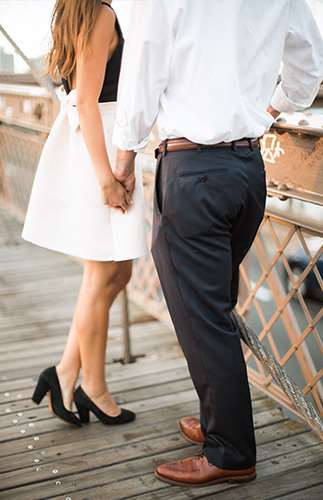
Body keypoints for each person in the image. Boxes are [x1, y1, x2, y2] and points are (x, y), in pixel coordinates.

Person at [113, 0, 323, 486]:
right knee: (215, 305)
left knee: (202, 315)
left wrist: (123, 162)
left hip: (193, 174)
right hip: (248, 172)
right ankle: (220, 421)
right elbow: (308, 66)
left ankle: (230, 451)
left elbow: (142, 73)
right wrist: (270, 109)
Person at [22, 0, 147, 426]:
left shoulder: (79, 11)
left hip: (96, 145)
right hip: (102, 149)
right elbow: (87, 101)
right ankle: (93, 386)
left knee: (117, 273)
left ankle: (65, 371)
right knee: (102, 274)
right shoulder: (99, 13)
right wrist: (107, 179)